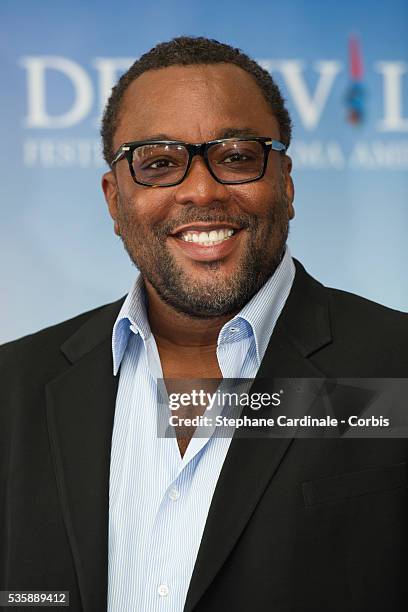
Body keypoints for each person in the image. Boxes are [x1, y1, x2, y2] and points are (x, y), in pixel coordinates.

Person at [1, 36, 407, 612]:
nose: (200, 189)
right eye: (160, 163)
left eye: (237, 155)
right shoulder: (13, 386)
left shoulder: (398, 365)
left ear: (285, 183)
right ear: (114, 200)